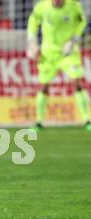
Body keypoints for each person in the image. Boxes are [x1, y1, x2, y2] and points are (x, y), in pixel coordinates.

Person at [27, 0, 90, 130]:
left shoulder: (73, 6)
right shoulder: (41, 7)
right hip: (48, 53)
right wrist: (32, 42)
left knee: (77, 82)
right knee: (44, 85)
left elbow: (82, 22)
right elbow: (32, 23)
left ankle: (87, 120)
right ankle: (39, 122)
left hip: (68, 50)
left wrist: (74, 39)